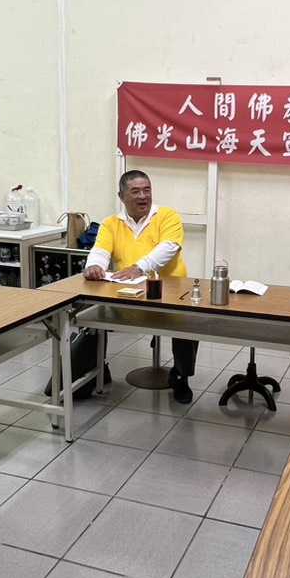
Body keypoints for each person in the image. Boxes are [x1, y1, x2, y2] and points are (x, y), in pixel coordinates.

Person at [83, 170, 199, 403]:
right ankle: (96, 370)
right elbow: (100, 251)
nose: (143, 196)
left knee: (188, 320)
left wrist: (139, 267)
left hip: (170, 293)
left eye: (147, 190)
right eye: (135, 191)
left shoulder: (167, 216)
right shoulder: (110, 223)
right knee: (89, 315)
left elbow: (169, 247)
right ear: (121, 196)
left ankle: (181, 376)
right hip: (129, 294)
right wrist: (94, 265)